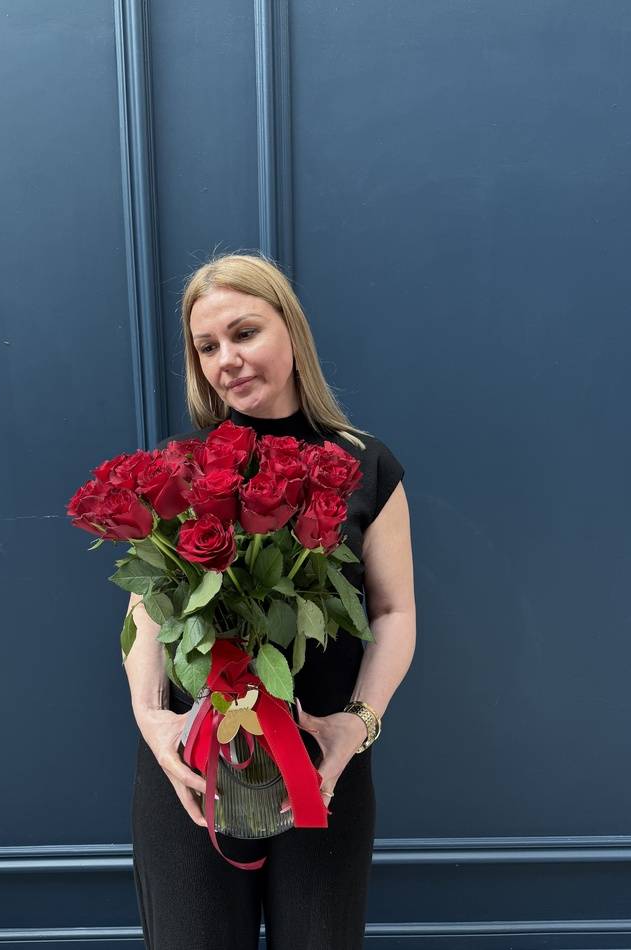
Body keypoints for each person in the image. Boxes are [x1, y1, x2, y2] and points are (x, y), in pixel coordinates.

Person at [124, 251, 416, 949]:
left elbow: (394, 612)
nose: (226, 358)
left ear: (291, 331)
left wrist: (358, 724)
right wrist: (151, 721)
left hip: (322, 767)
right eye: (207, 346)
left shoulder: (365, 464)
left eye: (245, 332)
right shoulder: (177, 468)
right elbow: (145, 612)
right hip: (193, 771)